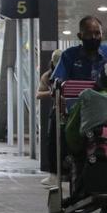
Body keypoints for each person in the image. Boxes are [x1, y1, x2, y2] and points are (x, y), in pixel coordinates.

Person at [43, 16, 107, 188]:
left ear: (102, 34)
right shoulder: (69, 56)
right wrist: (58, 89)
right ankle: (58, 170)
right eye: (89, 34)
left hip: (106, 109)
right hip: (77, 111)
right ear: (80, 36)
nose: (94, 37)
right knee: (56, 121)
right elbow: (56, 80)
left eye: (97, 33)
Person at [36, 48, 62, 187]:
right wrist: (51, 92)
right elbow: (38, 94)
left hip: (72, 109)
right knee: (52, 143)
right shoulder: (47, 76)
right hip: (57, 110)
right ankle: (54, 174)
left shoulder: (70, 70)